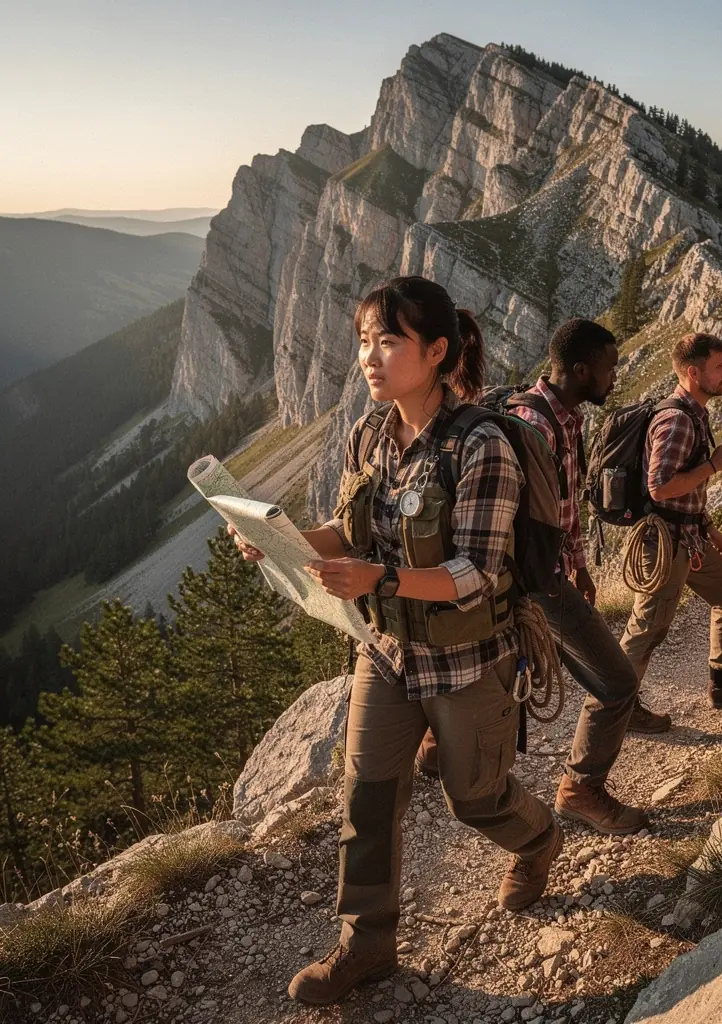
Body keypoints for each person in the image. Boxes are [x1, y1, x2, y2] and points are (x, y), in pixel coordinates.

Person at [232, 276, 560, 1006]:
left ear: (437, 351)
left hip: (470, 660)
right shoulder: (367, 435)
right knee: (367, 798)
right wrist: (278, 541)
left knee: (474, 799)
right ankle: (366, 944)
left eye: (388, 341)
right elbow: (345, 532)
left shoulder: (482, 447)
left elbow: (474, 574)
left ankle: (539, 840)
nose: (369, 358)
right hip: (384, 651)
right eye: (363, 342)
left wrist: (377, 577)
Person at [417, 318, 665, 835]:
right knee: (617, 682)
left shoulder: (564, 418)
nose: (615, 377)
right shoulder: (537, 425)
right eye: (609, 368)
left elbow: (563, 505)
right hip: (536, 584)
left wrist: (581, 564)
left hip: (548, 574)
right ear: (581, 370)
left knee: (512, 669)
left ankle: (434, 744)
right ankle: (581, 790)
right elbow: (524, 519)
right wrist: (549, 579)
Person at [619, 331, 722, 708]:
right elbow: (660, 488)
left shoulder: (694, 414)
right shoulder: (677, 421)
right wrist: (714, 465)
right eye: (719, 366)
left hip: (690, 536)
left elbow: (685, 489)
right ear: (693, 373)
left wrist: (709, 527)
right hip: (665, 543)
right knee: (647, 630)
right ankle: (616, 706)